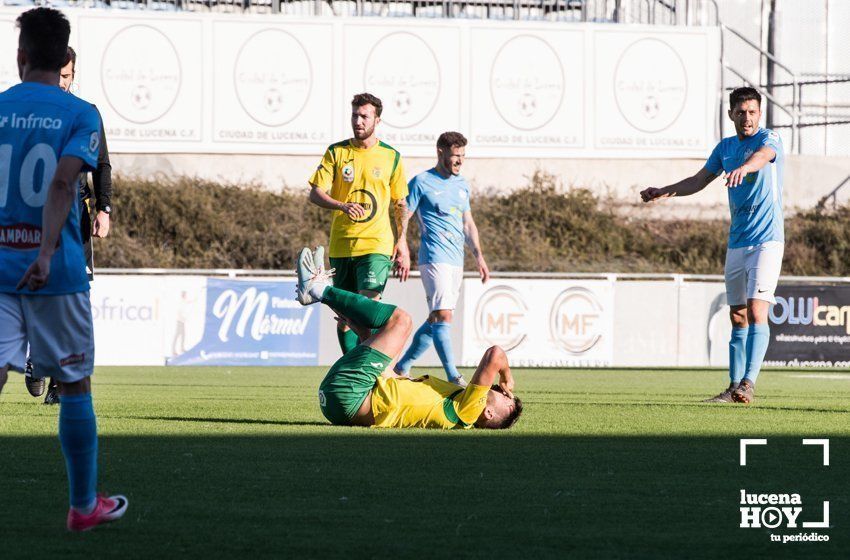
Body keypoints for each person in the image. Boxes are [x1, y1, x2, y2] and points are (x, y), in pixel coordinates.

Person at [0, 8, 127, 530]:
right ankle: (82, 505)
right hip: (57, 273)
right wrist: (47, 252)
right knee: (73, 382)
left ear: (21, 56)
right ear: (63, 59)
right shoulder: (81, 113)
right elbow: (61, 184)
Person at [640, 87, 784, 404]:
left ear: (760, 114)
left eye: (752, 112)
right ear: (731, 114)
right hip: (737, 241)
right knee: (737, 315)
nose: (747, 117)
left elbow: (763, 159)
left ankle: (748, 383)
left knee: (758, 311)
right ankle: (733, 387)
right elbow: (699, 179)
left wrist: (745, 168)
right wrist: (664, 191)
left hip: (767, 241)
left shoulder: (768, 140)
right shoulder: (725, 148)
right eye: (741, 112)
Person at [295, 246, 521, 430]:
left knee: (402, 321)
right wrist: (364, 335)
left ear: (489, 413)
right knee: (380, 332)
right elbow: (388, 376)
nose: (504, 392)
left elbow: (495, 354)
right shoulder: (449, 401)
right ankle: (321, 290)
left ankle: (319, 290)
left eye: (507, 399)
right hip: (338, 405)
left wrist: (506, 376)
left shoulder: (468, 413)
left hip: (349, 396)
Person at [25, 45, 113, 405]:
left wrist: (104, 209)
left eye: (67, 76)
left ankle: (60, 381)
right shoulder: (28, 113)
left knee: (76, 300)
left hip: (74, 218)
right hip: (31, 217)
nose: (61, 82)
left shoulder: (86, 113)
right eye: (56, 75)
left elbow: (103, 164)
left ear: (74, 75)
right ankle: (39, 359)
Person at [308, 93, 411, 355]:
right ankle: (354, 368)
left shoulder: (391, 156)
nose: (358, 121)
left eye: (364, 116)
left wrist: (402, 244)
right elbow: (315, 192)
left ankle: (372, 371)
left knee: (367, 308)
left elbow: (401, 204)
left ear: (377, 119)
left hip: (376, 244)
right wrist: (341, 205)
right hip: (342, 245)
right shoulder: (337, 152)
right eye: (354, 115)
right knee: (345, 320)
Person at [392, 132, 489, 386]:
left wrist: (478, 256)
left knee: (436, 319)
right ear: (441, 152)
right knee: (443, 316)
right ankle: (453, 376)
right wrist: (402, 247)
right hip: (434, 257)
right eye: (456, 156)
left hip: (456, 260)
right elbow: (404, 215)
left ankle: (402, 367)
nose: (460, 161)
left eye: (463, 156)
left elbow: (468, 224)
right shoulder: (421, 182)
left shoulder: (462, 185)